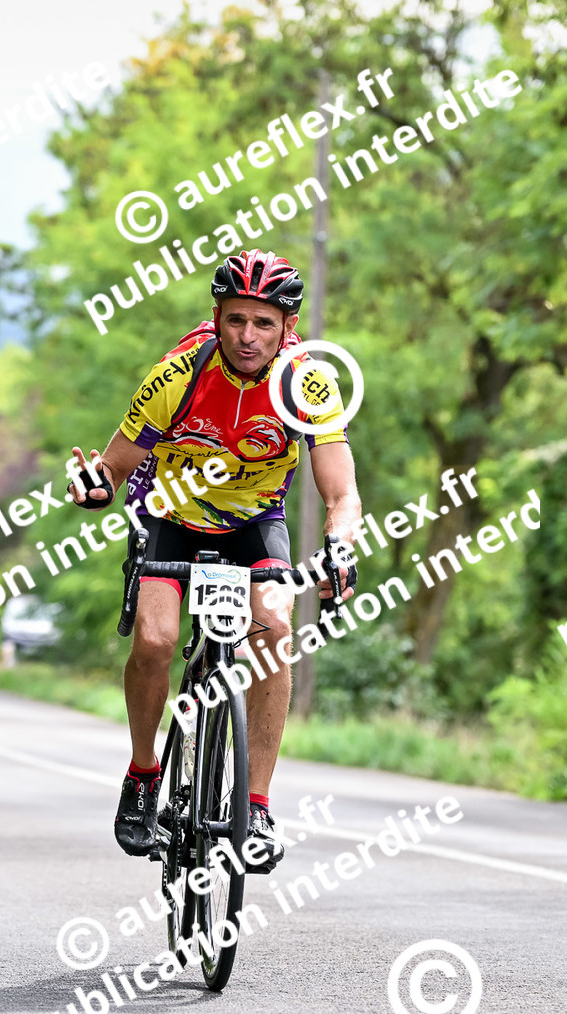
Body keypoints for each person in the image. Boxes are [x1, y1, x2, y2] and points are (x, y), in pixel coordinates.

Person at [68, 249, 361, 874]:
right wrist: (95, 485)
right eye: (236, 320)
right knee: (156, 640)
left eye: (263, 323)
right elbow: (113, 468)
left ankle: (255, 806)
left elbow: (341, 493)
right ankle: (143, 774)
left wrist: (340, 544)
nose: (247, 336)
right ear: (217, 317)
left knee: (274, 631)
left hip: (255, 522)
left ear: (288, 326)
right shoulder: (178, 374)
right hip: (170, 514)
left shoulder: (307, 384)